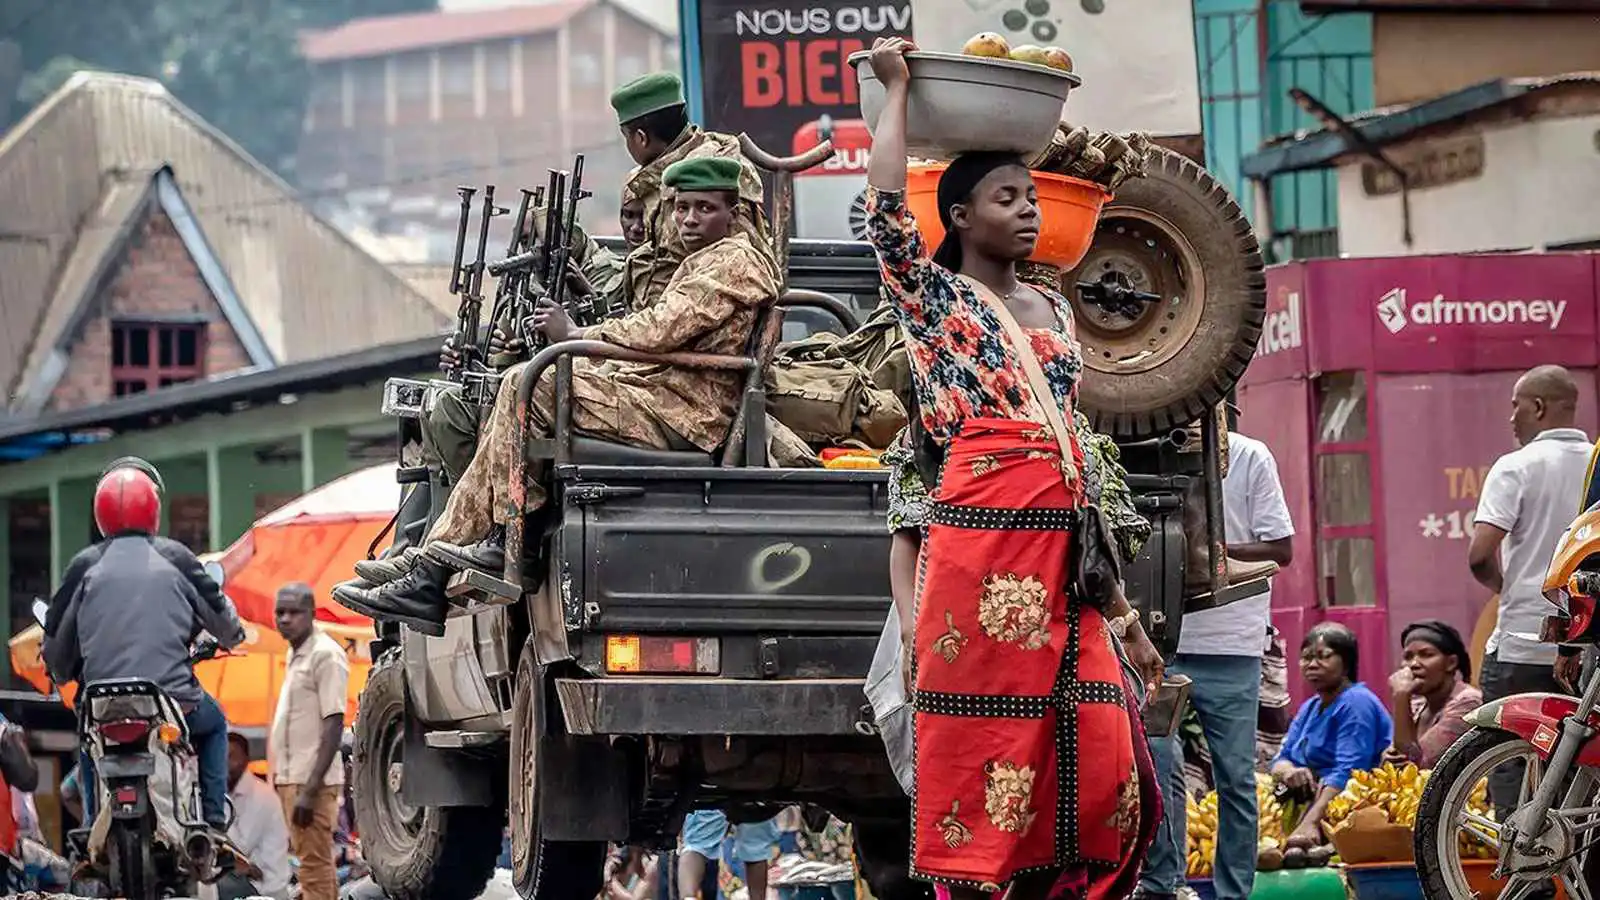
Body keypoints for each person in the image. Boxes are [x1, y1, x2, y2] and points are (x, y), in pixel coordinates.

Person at [862, 36, 1159, 900]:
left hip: (1066, 544)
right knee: (993, 749)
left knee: (1102, 758)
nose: (1028, 211)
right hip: (981, 548)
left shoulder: (1057, 307)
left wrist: (1126, 611)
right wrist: (896, 94)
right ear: (958, 216)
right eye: (1006, 197)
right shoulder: (935, 299)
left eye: (1032, 196)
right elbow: (884, 210)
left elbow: (1071, 433)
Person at [335, 157, 782, 634]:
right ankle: (433, 562)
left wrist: (577, 332)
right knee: (520, 383)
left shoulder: (735, 262)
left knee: (533, 383)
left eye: (705, 208)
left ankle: (502, 543)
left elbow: (660, 329)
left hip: (686, 411)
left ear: (733, 212)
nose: (690, 219)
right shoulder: (707, 259)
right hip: (661, 392)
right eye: (682, 208)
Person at [42, 458, 245, 832]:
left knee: (88, 739)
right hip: (173, 705)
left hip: (102, 706)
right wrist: (231, 634)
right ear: (153, 508)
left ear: (100, 514)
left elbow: (55, 651)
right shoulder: (176, 557)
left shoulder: (83, 566)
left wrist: (61, 668)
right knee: (215, 725)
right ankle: (214, 823)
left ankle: (91, 825)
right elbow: (227, 625)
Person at [1141, 415, 1294, 900]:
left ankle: (1233, 894)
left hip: (1231, 642)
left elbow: (1281, 547)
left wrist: (1210, 554)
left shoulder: (1251, 456)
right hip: (1164, 641)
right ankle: (1163, 884)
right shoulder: (1150, 452)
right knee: (1159, 768)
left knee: (1236, 780)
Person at [1469, 364, 1590, 812]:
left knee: (1508, 761)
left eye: (1516, 406)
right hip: (1587, 648)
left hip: (1522, 645)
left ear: (1537, 407)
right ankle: (1575, 879)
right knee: (1581, 767)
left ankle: (1526, 881)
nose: (1512, 417)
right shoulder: (1595, 463)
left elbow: (1480, 555)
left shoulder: (1515, 467)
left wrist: (1510, 590)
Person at [610, 72, 773, 309]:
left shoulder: (704, 176)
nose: (689, 217)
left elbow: (730, 275)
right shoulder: (673, 175)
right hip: (664, 325)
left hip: (690, 332)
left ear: (641, 138)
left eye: (627, 137)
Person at [1270, 623, 1392, 850]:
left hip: (1352, 810)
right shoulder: (1311, 707)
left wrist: (1310, 824)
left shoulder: (1357, 702)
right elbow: (1281, 759)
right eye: (1306, 658)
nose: (1312, 664)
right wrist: (1290, 772)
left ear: (1346, 662)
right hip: (1312, 804)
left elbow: (1349, 772)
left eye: (1323, 656)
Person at [269, 582, 350, 900]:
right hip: (293, 780)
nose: (285, 619)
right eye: (280, 612)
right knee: (315, 868)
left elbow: (334, 723)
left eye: (294, 612)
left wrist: (310, 790)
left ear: (311, 615)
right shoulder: (296, 653)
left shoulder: (325, 654)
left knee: (312, 869)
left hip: (310, 783)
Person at [1385, 621, 1482, 768]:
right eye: (1408, 656)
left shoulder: (1468, 703)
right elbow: (1395, 765)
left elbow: (1414, 769)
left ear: (1451, 663)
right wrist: (1386, 758)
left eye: (1426, 655)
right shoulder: (1416, 706)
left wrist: (1400, 695)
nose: (1414, 664)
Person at [218, 732, 292, 900]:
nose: (225, 763)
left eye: (231, 756)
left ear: (246, 759)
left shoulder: (262, 796)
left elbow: (239, 846)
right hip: (246, 879)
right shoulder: (229, 791)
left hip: (264, 887)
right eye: (220, 756)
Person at [678, 811, 779, 900]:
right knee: (755, 848)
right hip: (757, 795)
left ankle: (689, 897)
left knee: (698, 844)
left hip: (713, 793)